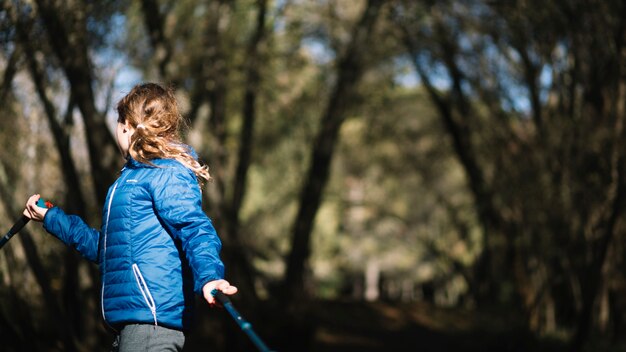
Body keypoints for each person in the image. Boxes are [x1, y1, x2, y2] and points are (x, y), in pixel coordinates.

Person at [23, 82, 237, 352]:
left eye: (119, 121)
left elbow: (195, 228)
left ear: (127, 125)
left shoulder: (165, 173)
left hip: (150, 325)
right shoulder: (131, 179)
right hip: (131, 327)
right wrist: (51, 217)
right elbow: (109, 251)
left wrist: (209, 276)